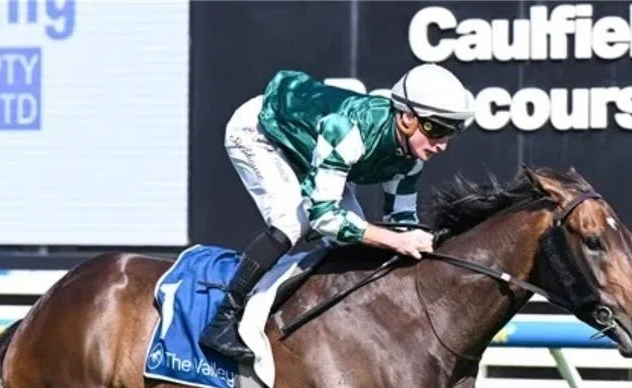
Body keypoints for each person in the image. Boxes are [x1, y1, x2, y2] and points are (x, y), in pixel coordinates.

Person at [199, 63, 475, 362]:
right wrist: (396, 240)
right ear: (407, 118)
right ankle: (222, 320)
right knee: (293, 223)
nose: (442, 145)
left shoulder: (411, 159)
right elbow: (323, 216)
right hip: (260, 132)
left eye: (451, 133)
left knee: (354, 241)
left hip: (309, 149)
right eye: (437, 129)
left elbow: (401, 224)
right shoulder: (350, 131)